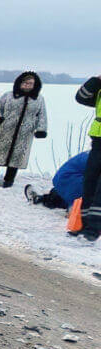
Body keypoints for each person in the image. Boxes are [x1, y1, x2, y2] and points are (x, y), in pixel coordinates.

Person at [0, 72, 47, 188]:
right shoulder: (8, 96)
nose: (28, 85)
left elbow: (42, 115)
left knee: (16, 158)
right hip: (5, 131)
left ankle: (8, 182)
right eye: (26, 82)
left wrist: (41, 129)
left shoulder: (39, 99)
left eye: (31, 83)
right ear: (20, 83)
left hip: (25, 134)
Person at [73, 74, 101, 241]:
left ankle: (94, 229)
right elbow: (81, 97)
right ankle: (82, 225)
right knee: (89, 182)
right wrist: (96, 80)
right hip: (98, 141)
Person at [24, 151, 88, 209]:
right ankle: (74, 208)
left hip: (62, 180)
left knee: (63, 195)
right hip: (71, 182)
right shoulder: (95, 157)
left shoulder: (93, 153)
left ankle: (41, 199)